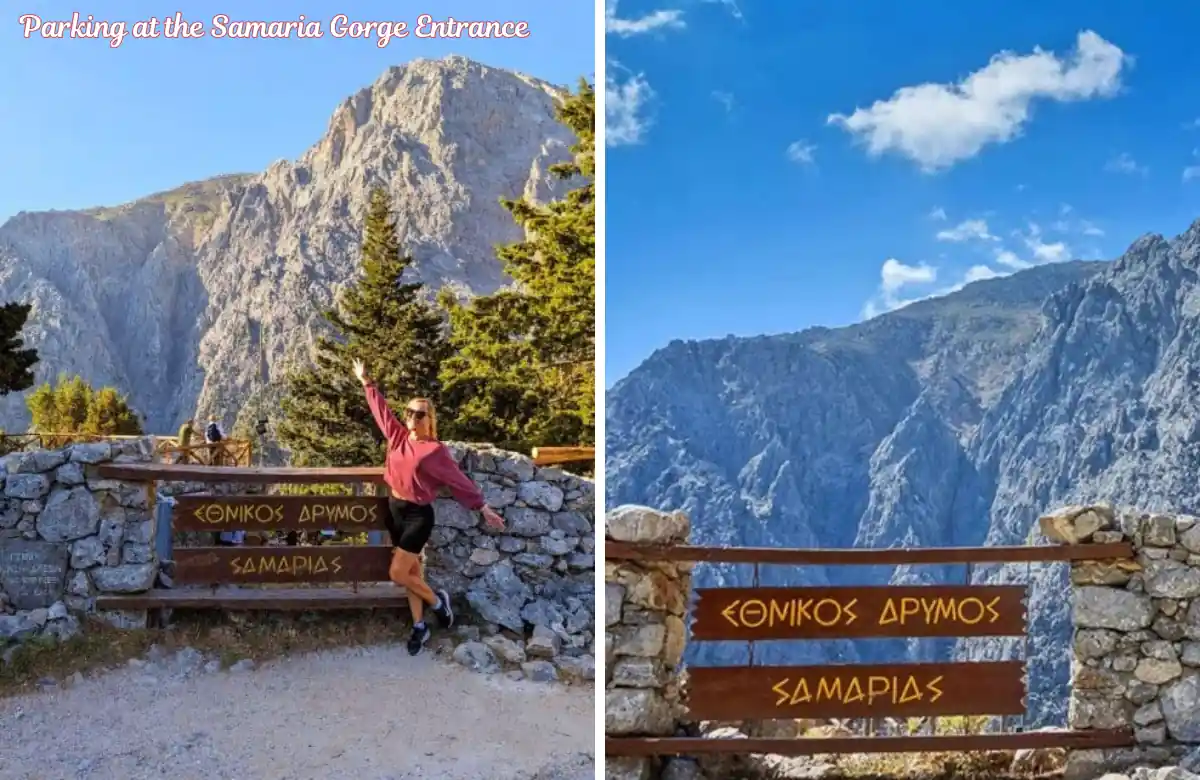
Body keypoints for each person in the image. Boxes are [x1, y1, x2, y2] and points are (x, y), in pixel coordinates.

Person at [353, 358, 505, 656]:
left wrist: (482, 506)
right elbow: (381, 412)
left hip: (417, 515)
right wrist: (366, 382)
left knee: (398, 573)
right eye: (409, 411)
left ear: (429, 418)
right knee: (412, 573)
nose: (412, 416)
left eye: (419, 413)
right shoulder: (397, 437)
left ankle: (438, 602)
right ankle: (420, 626)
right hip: (395, 508)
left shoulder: (435, 450)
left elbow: (457, 479)